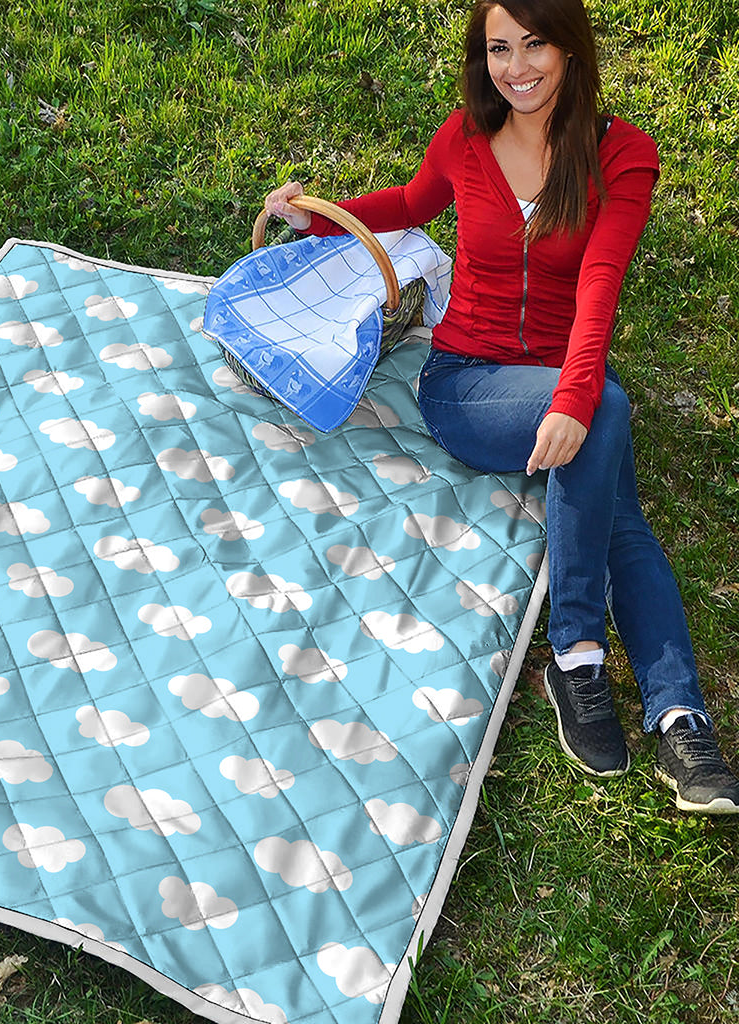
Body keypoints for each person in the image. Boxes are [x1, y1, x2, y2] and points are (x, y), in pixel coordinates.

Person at [264, 0, 739, 814]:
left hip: (558, 376)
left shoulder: (622, 156)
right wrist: (319, 221)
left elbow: (600, 284)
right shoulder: (465, 137)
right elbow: (412, 204)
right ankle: (585, 656)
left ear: (570, 48)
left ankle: (673, 712)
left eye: (535, 45)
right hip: (465, 384)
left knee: (613, 478)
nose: (516, 67)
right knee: (609, 419)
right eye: (498, 48)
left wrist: (576, 396)